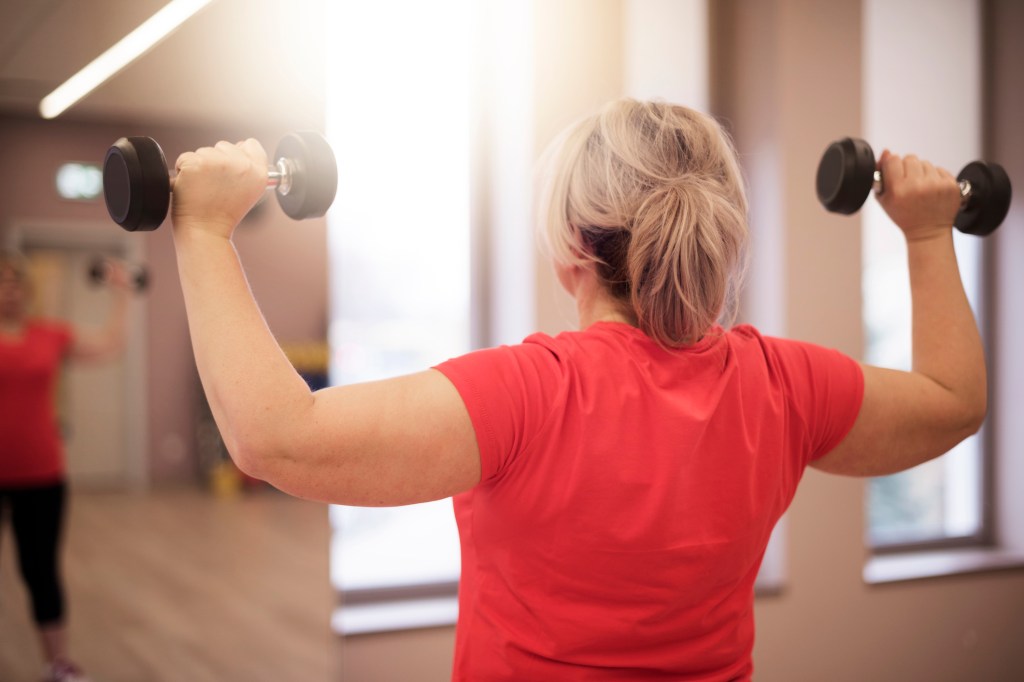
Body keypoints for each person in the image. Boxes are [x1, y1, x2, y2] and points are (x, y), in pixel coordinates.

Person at [169, 99, 985, 680]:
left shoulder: (531, 396)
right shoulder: (783, 386)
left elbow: (274, 437)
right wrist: (925, 231)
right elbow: (953, 399)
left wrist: (205, 232)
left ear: (569, 246)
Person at [0, 252, 131, 682]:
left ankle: (58, 665)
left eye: (17, 281)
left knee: (40, 570)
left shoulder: (49, 335)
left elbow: (111, 345)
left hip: (42, 473)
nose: (11, 289)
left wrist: (122, 295)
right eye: (3, 281)